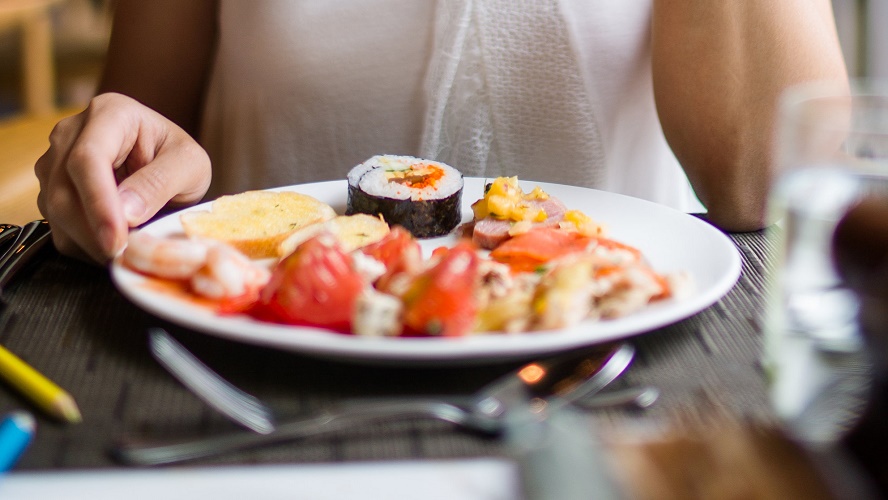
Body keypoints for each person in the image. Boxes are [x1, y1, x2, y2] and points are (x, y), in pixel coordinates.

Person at [35, 0, 848, 264]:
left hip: (616, 370)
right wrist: (114, 176)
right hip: (263, 376)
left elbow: (769, 184)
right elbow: (138, 143)